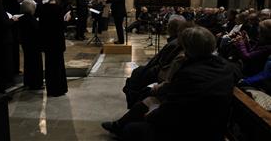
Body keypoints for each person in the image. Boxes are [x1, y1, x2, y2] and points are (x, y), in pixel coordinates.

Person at [102, 26, 241, 141]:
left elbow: (171, 111)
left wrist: (151, 115)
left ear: (187, 48)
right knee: (149, 99)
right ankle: (118, 125)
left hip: (195, 129)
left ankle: (121, 127)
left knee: (132, 129)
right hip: (211, 121)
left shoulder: (190, 73)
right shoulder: (226, 66)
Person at [39, 0, 68, 97]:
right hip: (57, 41)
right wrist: (66, 20)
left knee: (49, 65)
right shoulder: (59, 8)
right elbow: (61, 27)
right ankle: (59, 89)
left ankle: (51, 89)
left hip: (47, 41)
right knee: (58, 65)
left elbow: (41, 25)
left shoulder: (43, 8)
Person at [18, 0, 43, 90]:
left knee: (28, 63)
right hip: (34, 44)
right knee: (36, 64)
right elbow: (38, 32)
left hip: (25, 43)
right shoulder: (32, 19)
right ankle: (36, 83)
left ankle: (27, 82)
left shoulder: (21, 18)